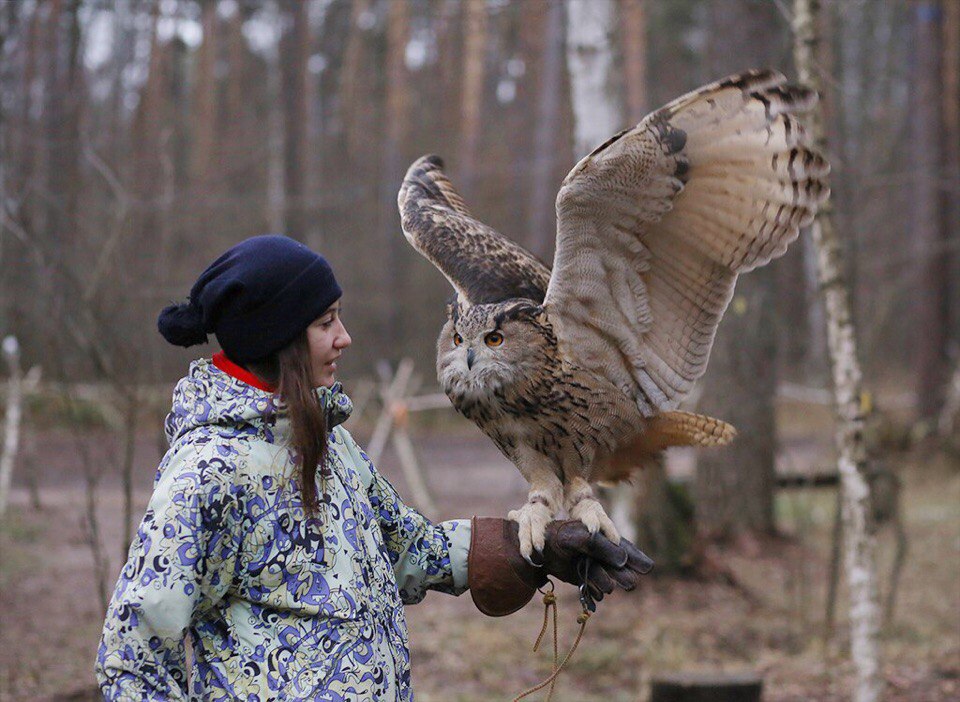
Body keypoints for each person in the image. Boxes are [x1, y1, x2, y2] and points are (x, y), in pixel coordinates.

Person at [95, 235, 652, 701]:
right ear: (279, 338)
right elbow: (131, 656)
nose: (345, 338)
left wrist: (534, 550)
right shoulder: (207, 472)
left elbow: (410, 551)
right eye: (326, 324)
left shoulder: (329, 446)